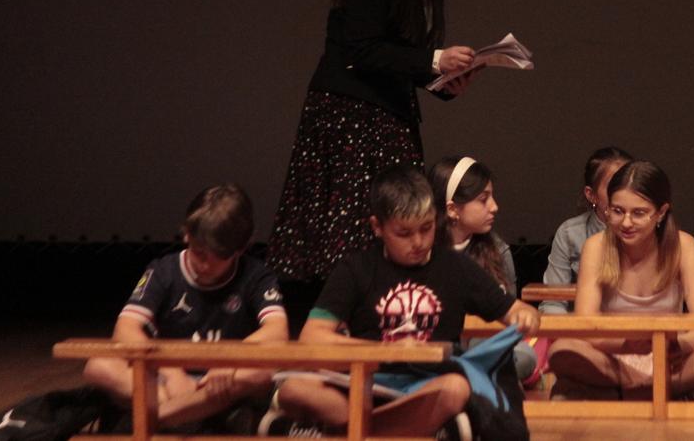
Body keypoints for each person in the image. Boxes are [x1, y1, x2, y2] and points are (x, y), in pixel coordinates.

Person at [266, 0, 482, 335]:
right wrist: (434, 59)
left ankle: (377, 330)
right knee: (351, 234)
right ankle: (334, 336)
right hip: (351, 120)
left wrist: (440, 80)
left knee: (387, 226)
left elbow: (394, 54)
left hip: (381, 115)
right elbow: (360, 51)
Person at [271, 166, 540, 438]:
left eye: (426, 228)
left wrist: (525, 316)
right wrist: (384, 352)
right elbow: (312, 338)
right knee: (295, 388)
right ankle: (416, 429)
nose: (418, 242)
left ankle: (347, 432)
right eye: (404, 233)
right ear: (377, 227)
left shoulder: (455, 266)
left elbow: (514, 310)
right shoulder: (356, 269)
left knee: (456, 388)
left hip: (426, 384)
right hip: (365, 385)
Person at [83, 184, 288, 430]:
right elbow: (126, 329)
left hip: (222, 379)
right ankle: (200, 414)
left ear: (241, 249)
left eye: (218, 257)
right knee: (99, 365)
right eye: (199, 253)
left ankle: (157, 417)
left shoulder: (256, 275)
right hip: (166, 380)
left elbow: (277, 332)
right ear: (186, 235)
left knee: (264, 373)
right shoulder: (163, 270)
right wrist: (171, 370)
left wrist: (228, 361)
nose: (205, 265)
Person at [547, 160, 694, 399]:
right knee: (563, 350)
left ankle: (633, 387)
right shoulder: (596, 247)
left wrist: (674, 346)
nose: (626, 222)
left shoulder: (684, 246)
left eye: (638, 213)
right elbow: (586, 323)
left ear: (661, 212)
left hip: (669, 359)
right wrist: (626, 344)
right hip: (613, 358)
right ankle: (648, 385)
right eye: (618, 211)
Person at [429, 155, 537, 380]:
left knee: (523, 358)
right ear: (452, 209)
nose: (494, 207)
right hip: (435, 342)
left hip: (486, 342)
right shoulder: (424, 252)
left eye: (492, 197)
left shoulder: (498, 250)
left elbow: (509, 314)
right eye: (483, 199)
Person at [540, 146, 634, 315]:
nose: (622, 194)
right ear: (591, 195)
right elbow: (552, 303)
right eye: (613, 186)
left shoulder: (650, 232)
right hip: (580, 331)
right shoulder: (570, 233)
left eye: (629, 185)